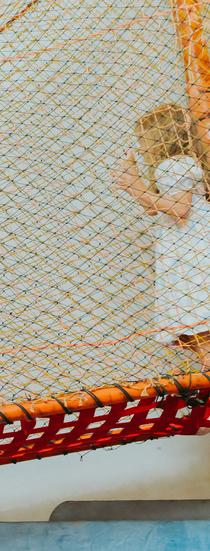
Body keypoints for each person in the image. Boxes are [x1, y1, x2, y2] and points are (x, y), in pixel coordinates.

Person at [110, 90, 210, 368]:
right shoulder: (183, 164)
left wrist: (137, 186)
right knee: (200, 332)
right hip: (193, 253)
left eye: (142, 141)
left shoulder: (172, 165)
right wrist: (136, 184)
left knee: (201, 327)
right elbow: (157, 207)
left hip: (191, 259)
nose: (141, 149)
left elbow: (180, 208)